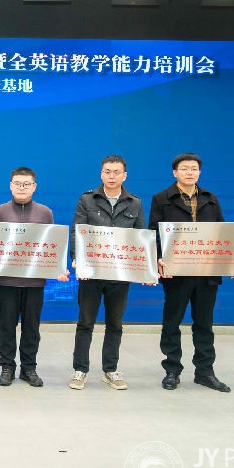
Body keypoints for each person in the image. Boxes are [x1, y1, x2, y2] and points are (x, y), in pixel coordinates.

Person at [149, 153, 232, 393]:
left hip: (207, 272)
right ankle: (172, 370)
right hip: (176, 272)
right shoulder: (162, 199)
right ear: (175, 172)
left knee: (204, 324)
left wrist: (232, 261)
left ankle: (205, 371)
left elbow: (222, 233)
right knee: (172, 322)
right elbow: (154, 232)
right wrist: (159, 258)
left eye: (194, 168)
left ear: (199, 172)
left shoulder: (210, 198)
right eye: (184, 168)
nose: (189, 172)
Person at [0, 167, 69, 388]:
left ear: (34, 187)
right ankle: (7, 367)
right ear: (10, 186)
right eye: (18, 184)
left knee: (32, 327)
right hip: (6, 281)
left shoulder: (45, 213)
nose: (22, 188)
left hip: (35, 282)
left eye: (26, 184)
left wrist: (58, 268)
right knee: (6, 326)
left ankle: (29, 368)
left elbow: (52, 245)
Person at [68, 155, 146, 391]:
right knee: (85, 323)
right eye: (107, 172)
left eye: (116, 172)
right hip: (91, 273)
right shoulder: (87, 199)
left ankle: (110, 370)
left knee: (115, 323)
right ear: (101, 174)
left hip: (119, 275)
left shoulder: (135, 203)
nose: (111, 176)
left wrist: (145, 268)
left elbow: (141, 237)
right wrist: (77, 259)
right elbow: (77, 232)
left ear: (125, 175)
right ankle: (80, 370)